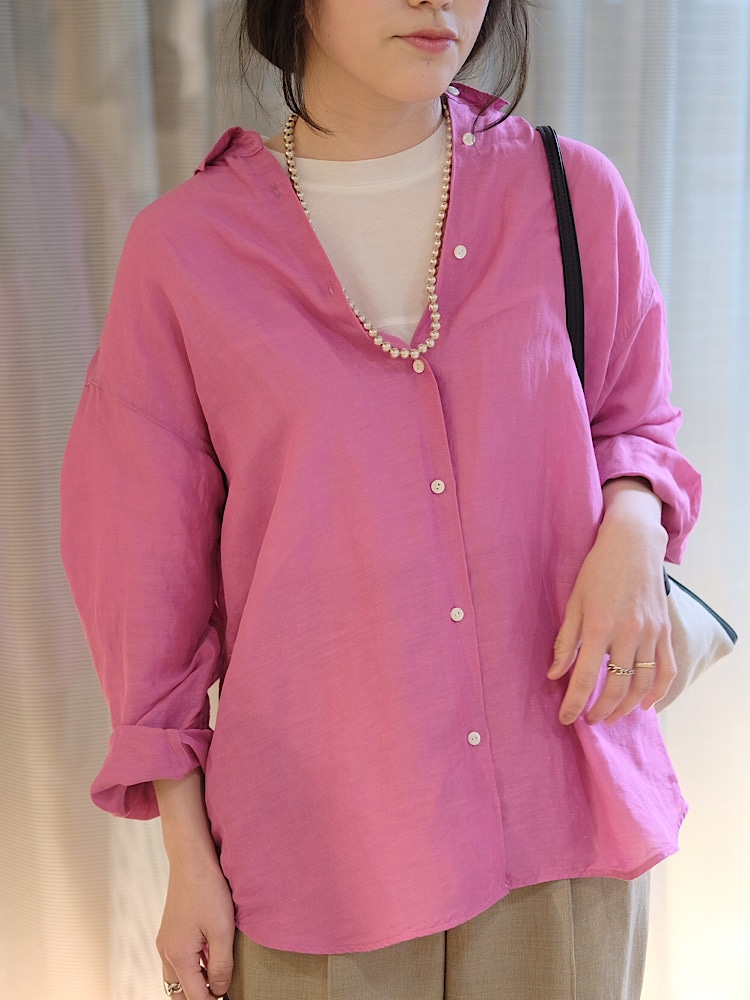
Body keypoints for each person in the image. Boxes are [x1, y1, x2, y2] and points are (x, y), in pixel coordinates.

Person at [61, 1, 702, 997]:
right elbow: (145, 579)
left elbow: (637, 420)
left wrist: (632, 521)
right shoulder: (185, 252)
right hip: (320, 855)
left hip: (561, 827)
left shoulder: (573, 194)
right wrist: (187, 857)